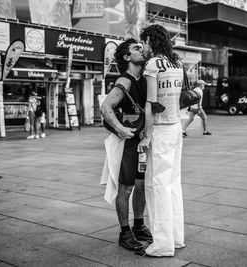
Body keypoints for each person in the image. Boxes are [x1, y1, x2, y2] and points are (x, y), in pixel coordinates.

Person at [137, 24, 185, 257]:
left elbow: (151, 104)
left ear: (149, 40)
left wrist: (146, 136)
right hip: (176, 126)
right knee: (173, 183)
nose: (142, 47)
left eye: (143, 42)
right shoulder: (177, 63)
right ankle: (176, 237)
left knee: (157, 186)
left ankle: (162, 244)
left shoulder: (153, 64)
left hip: (161, 128)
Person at [100, 38, 152, 252]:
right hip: (129, 143)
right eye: (136, 49)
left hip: (141, 141)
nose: (141, 50)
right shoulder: (126, 79)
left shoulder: (145, 78)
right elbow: (106, 107)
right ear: (126, 57)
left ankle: (139, 225)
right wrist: (121, 130)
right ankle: (124, 233)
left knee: (141, 186)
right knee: (127, 187)